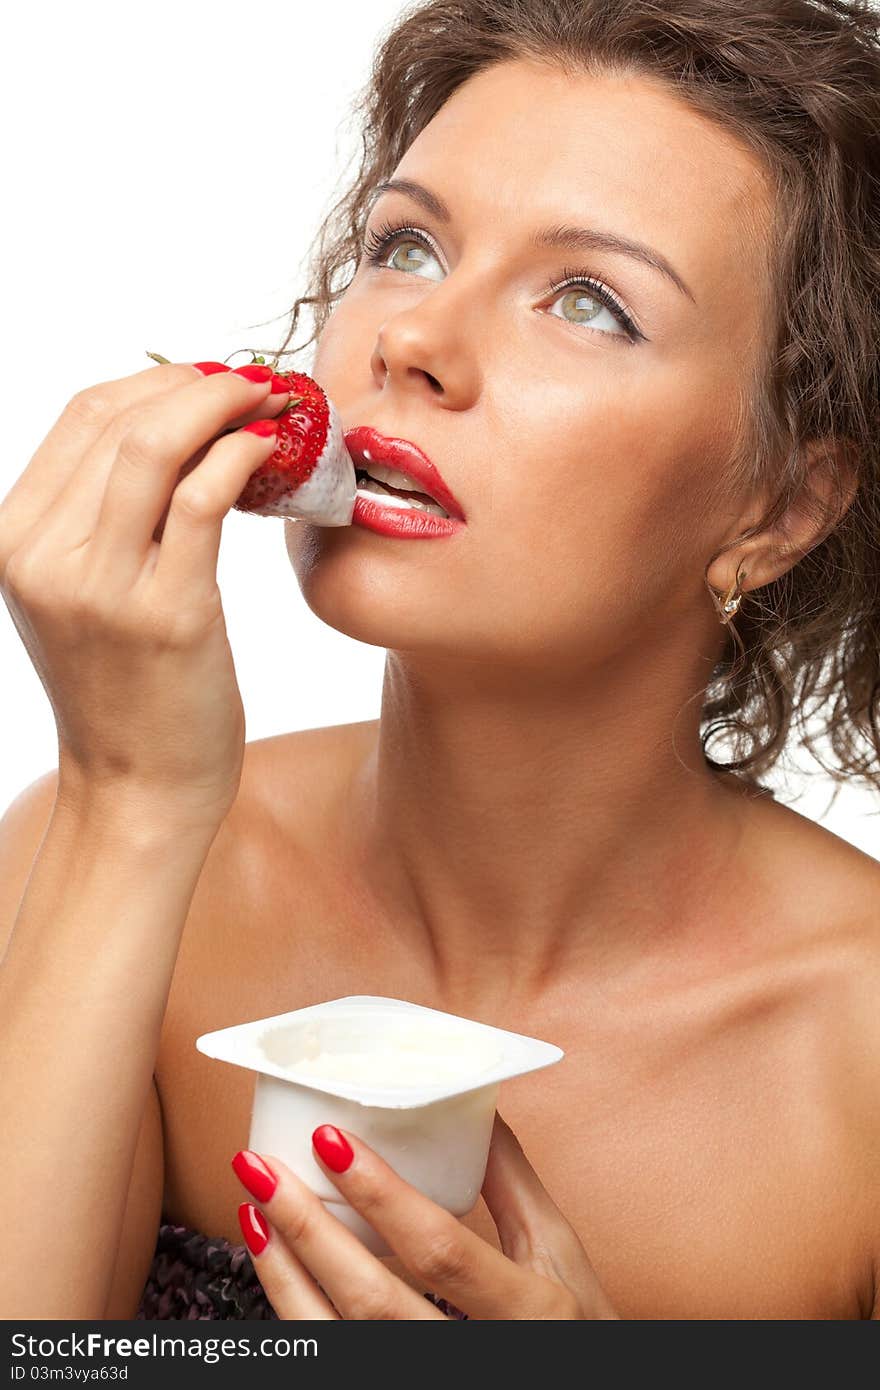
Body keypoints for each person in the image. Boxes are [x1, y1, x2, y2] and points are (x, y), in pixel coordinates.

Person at [2, 0, 879, 1321]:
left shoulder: (857, 1052)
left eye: (587, 302)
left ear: (778, 512)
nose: (408, 340)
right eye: (406, 245)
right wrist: (126, 797)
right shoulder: (104, 862)